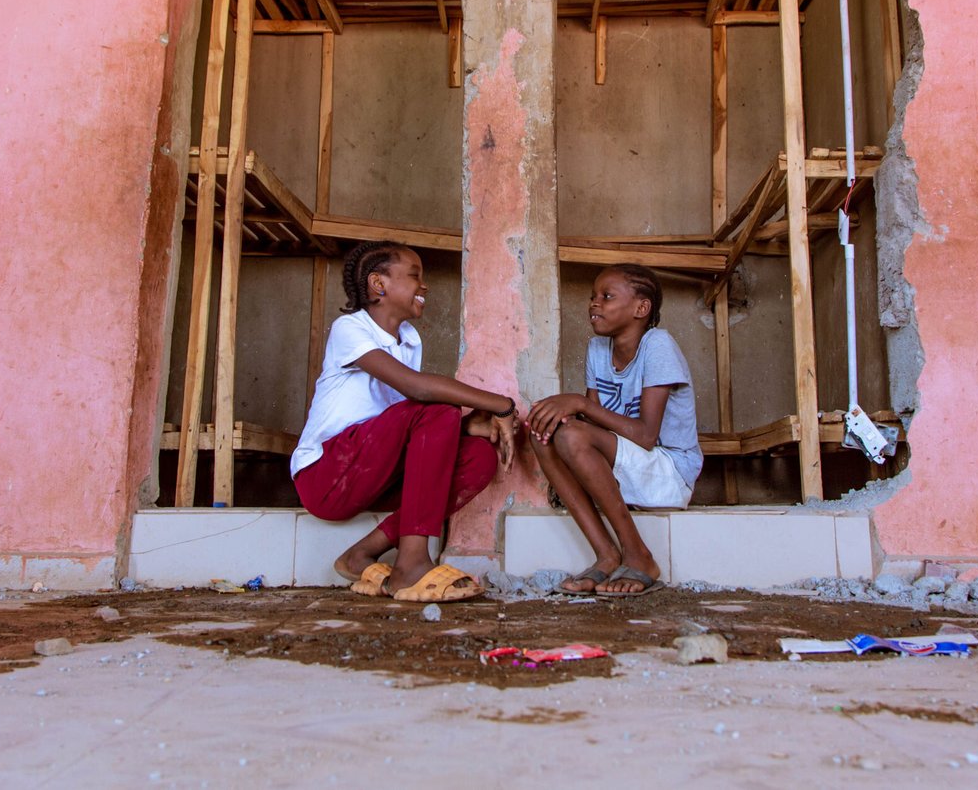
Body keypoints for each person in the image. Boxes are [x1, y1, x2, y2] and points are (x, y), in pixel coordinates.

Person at [292, 240, 518, 602]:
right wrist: (501, 405)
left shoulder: (409, 340)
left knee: (479, 457)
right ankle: (412, 563)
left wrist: (463, 428)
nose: (423, 286)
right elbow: (417, 391)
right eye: (415, 276)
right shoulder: (350, 329)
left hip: (373, 473)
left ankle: (361, 553)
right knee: (439, 405)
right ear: (379, 285)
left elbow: (404, 425)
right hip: (326, 476)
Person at [527, 264, 701, 596]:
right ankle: (606, 554)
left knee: (571, 431)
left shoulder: (658, 345)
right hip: (626, 468)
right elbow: (592, 426)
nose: (594, 303)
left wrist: (579, 404)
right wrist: (567, 412)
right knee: (544, 429)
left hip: (669, 473)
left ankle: (639, 555)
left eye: (607, 296)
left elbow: (646, 436)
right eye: (593, 296)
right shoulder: (597, 350)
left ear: (641, 308)